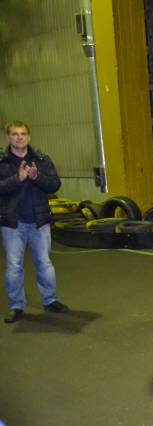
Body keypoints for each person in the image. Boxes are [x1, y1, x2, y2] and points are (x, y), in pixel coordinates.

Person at [0, 121, 68, 324]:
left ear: (29, 137)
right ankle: (16, 306)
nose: (19, 137)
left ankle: (50, 300)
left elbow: (54, 184)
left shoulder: (41, 160)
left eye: (23, 134)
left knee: (44, 263)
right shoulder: (2, 162)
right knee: (14, 266)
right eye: (15, 134)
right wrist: (18, 178)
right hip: (13, 223)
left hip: (39, 221)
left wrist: (37, 176)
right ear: (8, 138)